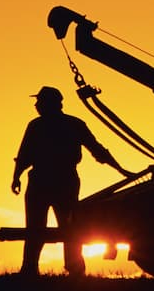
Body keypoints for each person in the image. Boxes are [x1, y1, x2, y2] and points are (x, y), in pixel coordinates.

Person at [11, 85, 133, 278]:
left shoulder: (40, 125)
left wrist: (16, 176)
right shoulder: (70, 124)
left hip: (49, 181)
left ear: (50, 103)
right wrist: (120, 169)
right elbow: (97, 150)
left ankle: (36, 269)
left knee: (47, 228)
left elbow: (25, 154)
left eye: (40, 101)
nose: (36, 105)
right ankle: (64, 269)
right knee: (63, 228)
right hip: (58, 181)